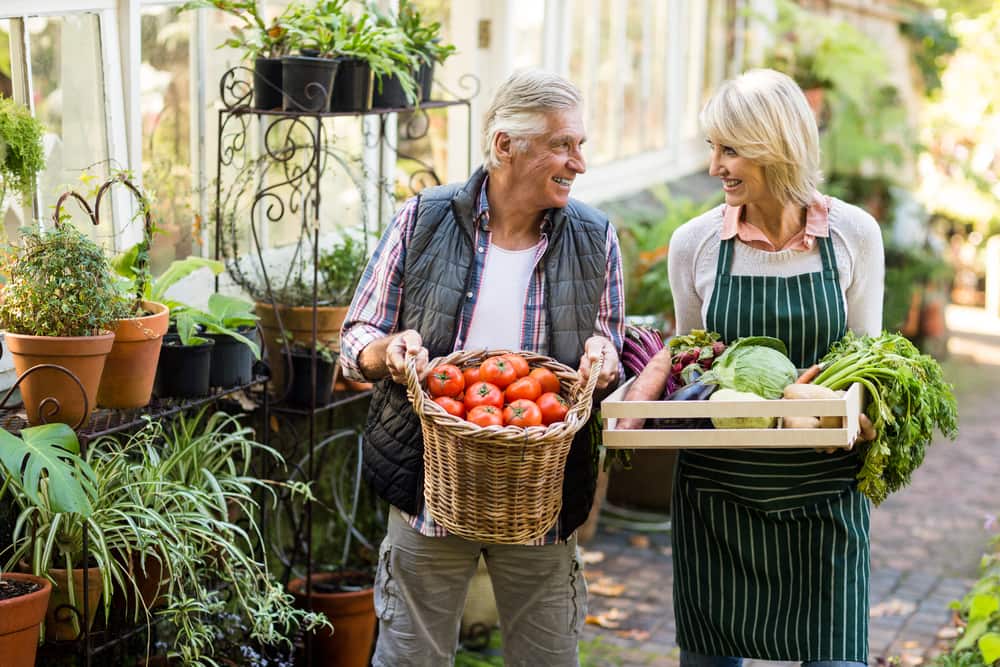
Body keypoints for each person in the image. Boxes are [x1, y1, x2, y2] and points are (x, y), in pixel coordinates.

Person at [339, 68, 624, 667]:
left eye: (580, 145)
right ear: (505, 145)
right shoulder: (423, 220)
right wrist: (388, 352)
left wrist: (603, 361)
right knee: (409, 658)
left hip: (542, 492)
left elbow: (607, 342)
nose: (579, 163)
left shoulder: (595, 237)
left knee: (547, 659)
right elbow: (356, 336)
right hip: (430, 483)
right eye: (562, 145)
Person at [665, 69, 883, 667]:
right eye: (712, 148)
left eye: (730, 150)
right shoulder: (695, 243)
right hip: (718, 493)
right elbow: (692, 363)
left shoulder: (853, 235)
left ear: (776, 146)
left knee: (836, 657)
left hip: (824, 487)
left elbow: (870, 357)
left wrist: (852, 410)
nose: (715, 166)